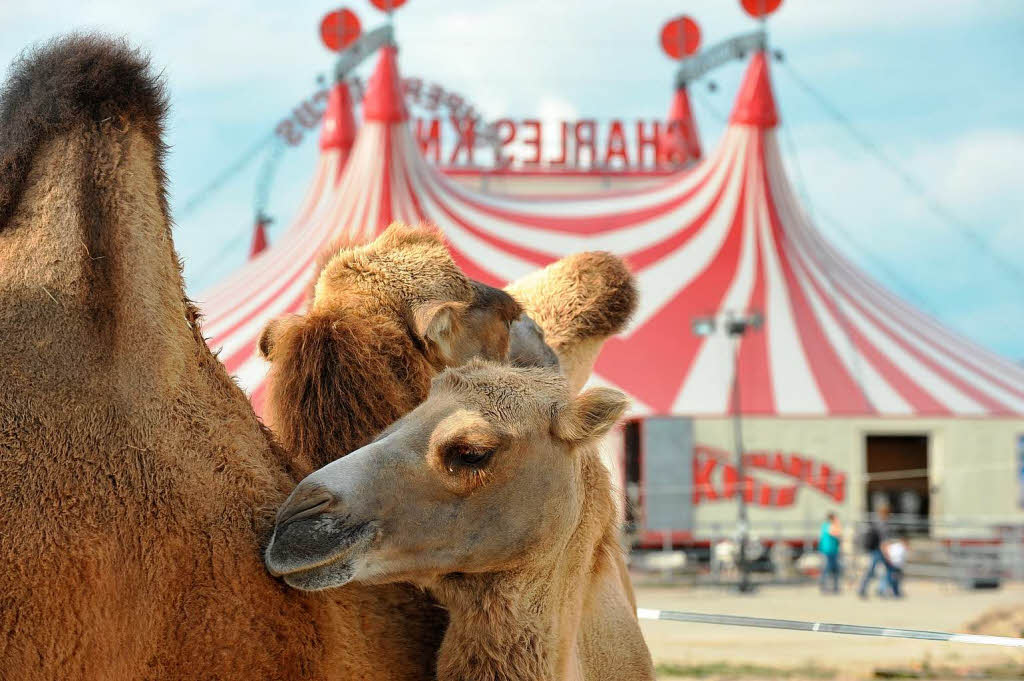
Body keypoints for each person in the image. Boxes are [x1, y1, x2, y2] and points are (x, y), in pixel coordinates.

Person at [857, 505, 893, 599]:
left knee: (873, 570)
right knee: (886, 569)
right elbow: (884, 542)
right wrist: (887, 554)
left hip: (874, 549)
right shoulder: (884, 525)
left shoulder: (876, 522)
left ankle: (866, 589)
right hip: (880, 551)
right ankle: (879, 590)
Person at [819, 512, 842, 593]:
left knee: (833, 569)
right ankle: (826, 587)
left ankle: (834, 587)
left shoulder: (825, 525)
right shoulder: (829, 525)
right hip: (829, 550)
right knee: (828, 569)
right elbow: (837, 533)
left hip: (830, 550)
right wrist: (838, 524)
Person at [883, 532, 908, 598]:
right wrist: (888, 559)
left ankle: (895, 592)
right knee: (891, 580)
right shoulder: (896, 546)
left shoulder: (903, 548)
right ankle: (887, 592)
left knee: (896, 580)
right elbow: (885, 548)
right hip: (893, 564)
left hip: (897, 566)